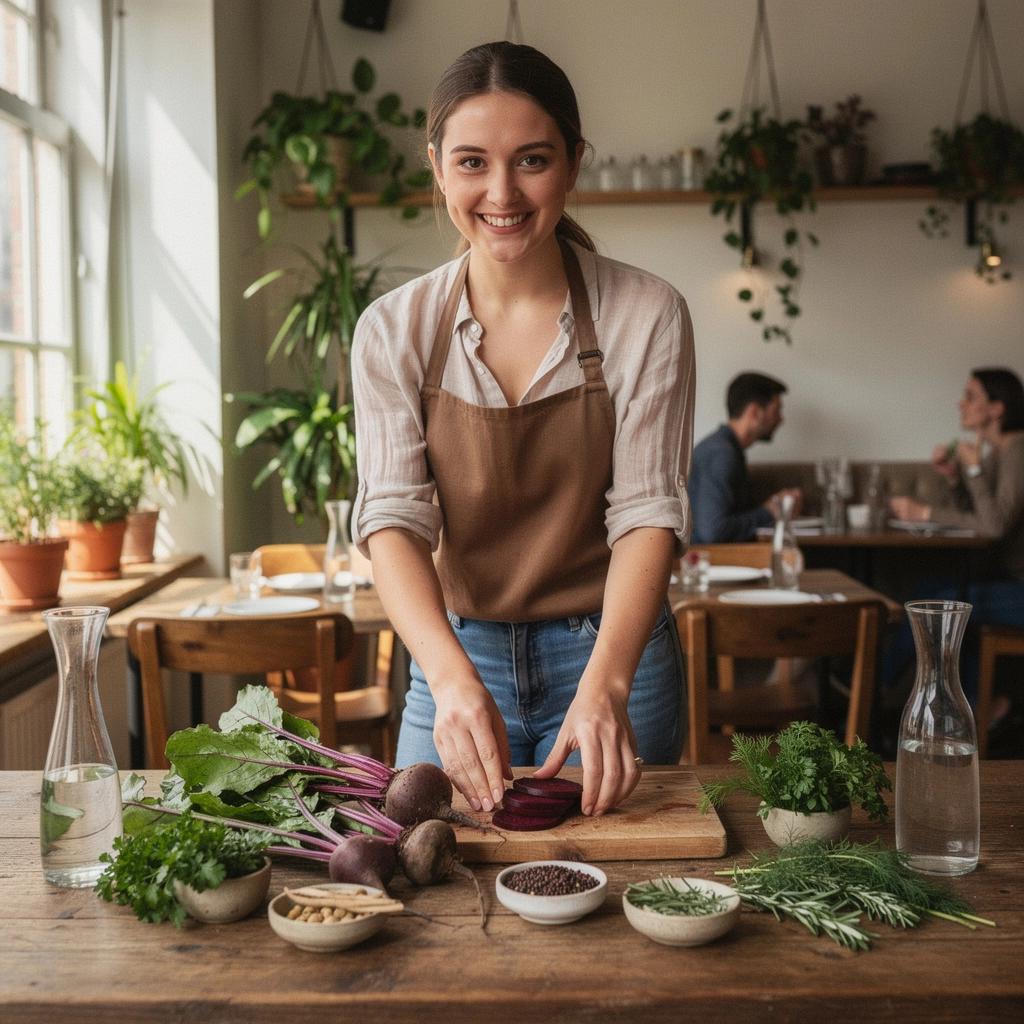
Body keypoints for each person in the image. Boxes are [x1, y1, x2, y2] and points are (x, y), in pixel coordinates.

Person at [350, 42, 695, 819]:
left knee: (624, 871)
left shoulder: (647, 314)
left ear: (573, 165)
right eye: (472, 162)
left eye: (532, 160)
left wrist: (606, 683)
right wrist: (449, 680)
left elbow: (648, 512)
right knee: (433, 864)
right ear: (437, 168)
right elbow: (393, 521)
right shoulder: (393, 329)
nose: (501, 192)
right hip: (455, 651)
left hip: (612, 648)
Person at [886, 367, 1024, 708]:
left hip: (1019, 586)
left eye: (971, 397)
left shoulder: (1018, 451)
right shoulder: (997, 453)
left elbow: (994, 526)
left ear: (997, 408)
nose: (961, 404)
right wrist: (953, 477)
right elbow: (977, 516)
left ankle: (870, 687)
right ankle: (979, 704)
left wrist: (925, 512)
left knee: (943, 606)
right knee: (925, 591)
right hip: (1005, 579)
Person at [689, 372, 802, 543]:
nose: (781, 419)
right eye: (776, 410)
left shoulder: (726, 448)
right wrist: (770, 511)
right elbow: (714, 532)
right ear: (755, 412)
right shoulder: (722, 454)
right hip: (711, 558)